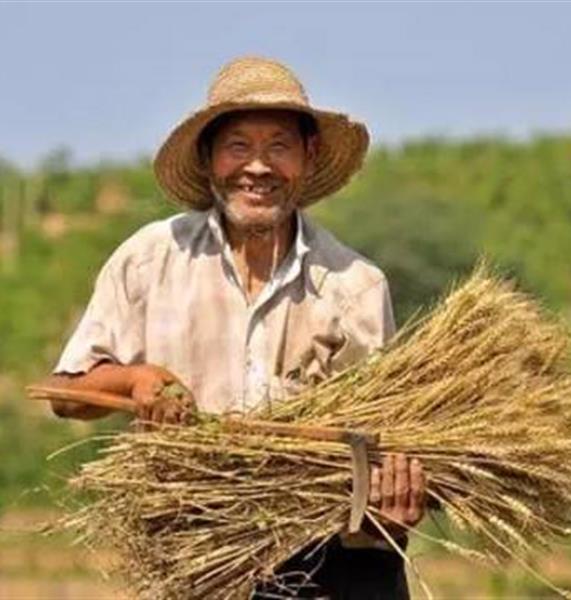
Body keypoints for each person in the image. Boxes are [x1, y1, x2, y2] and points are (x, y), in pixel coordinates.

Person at [48, 56, 426, 599]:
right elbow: (64, 394)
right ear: (208, 159)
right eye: (238, 146)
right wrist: (136, 381)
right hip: (195, 555)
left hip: (325, 564)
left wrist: (391, 510)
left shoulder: (356, 286)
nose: (258, 167)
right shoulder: (151, 260)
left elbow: (381, 445)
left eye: (279, 147)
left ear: (308, 156)